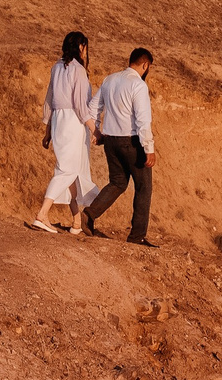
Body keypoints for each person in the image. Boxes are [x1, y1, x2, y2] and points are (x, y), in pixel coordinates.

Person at [82, 47, 156, 246]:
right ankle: (136, 237)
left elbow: (92, 108)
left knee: (117, 183)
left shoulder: (110, 79)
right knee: (143, 188)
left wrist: (97, 131)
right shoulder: (138, 85)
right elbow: (143, 120)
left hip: (111, 140)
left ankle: (89, 214)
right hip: (131, 141)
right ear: (145, 65)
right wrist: (149, 147)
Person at [29, 30, 101, 233]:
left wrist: (48, 130)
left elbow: (49, 100)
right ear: (81, 47)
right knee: (67, 170)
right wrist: (94, 130)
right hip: (73, 122)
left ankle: (77, 220)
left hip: (59, 121)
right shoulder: (78, 70)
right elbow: (80, 105)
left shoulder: (56, 67)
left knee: (71, 169)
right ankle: (42, 214)